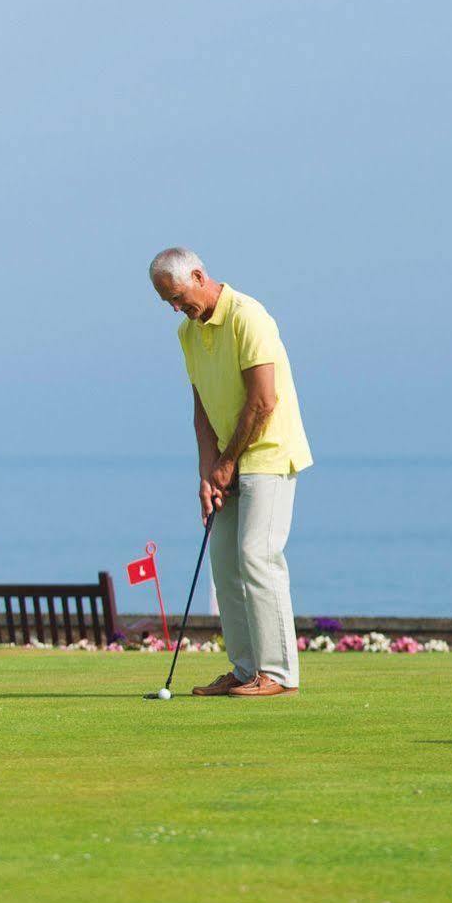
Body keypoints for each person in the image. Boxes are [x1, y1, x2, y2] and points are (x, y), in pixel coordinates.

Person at [149, 247, 313, 697]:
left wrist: (226, 463)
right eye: (168, 302)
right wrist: (208, 471)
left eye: (179, 297)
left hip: (269, 454)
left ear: (199, 275)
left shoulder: (248, 316)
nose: (177, 309)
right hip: (228, 459)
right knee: (224, 562)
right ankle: (245, 670)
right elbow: (201, 407)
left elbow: (264, 401)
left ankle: (278, 674)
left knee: (257, 556)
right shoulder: (188, 333)